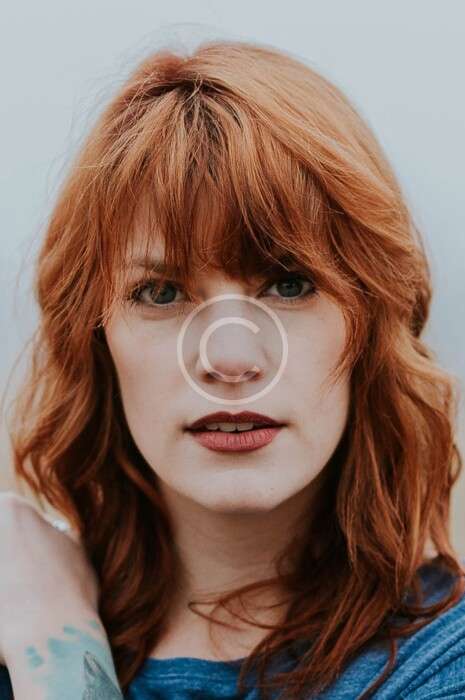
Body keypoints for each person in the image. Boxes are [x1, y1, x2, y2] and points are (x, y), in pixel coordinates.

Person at [0, 38, 464, 700]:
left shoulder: (443, 667)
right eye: (162, 293)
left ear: (370, 324)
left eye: (288, 285)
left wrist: (62, 661)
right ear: (95, 340)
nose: (230, 360)